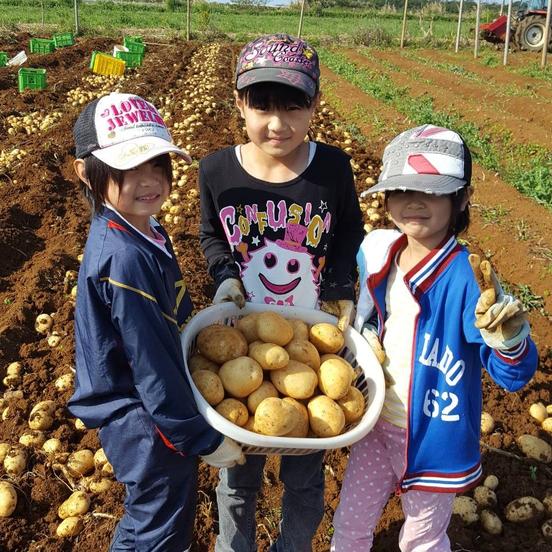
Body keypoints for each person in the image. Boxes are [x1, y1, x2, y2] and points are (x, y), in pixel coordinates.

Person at [331, 124, 538, 552]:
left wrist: (509, 341)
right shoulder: (379, 253)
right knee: (349, 525)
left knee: (421, 540)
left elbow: (513, 376)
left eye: (432, 192)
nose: (413, 202)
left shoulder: (469, 279)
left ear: (462, 198)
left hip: (433, 435)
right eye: (401, 189)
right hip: (374, 424)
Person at [198, 34, 364, 551]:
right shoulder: (217, 171)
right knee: (238, 477)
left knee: (306, 475)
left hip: (312, 343)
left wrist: (339, 289)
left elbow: (348, 238)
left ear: (316, 105)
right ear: (239, 103)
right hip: (241, 338)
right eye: (262, 105)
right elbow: (209, 235)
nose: (277, 122)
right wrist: (225, 275)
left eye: (294, 106)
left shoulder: (332, 169)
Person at [69, 92, 244, 552]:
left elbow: (164, 321)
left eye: (157, 165)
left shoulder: (143, 228)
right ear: (86, 174)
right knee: (161, 524)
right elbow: (150, 366)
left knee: (152, 515)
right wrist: (199, 437)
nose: (148, 182)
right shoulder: (123, 260)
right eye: (126, 171)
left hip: (154, 409)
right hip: (144, 420)